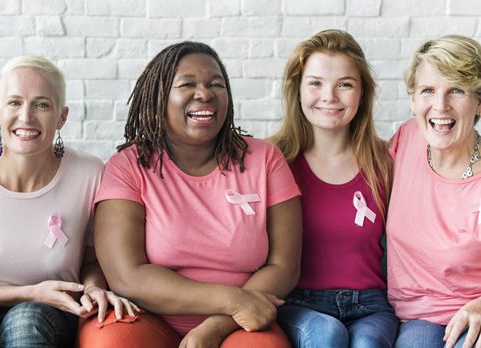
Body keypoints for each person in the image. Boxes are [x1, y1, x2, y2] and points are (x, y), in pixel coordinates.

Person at [78, 41, 302, 347]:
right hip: (148, 317)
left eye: (216, 84)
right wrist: (232, 300)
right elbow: (126, 276)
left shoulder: (265, 159)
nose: (205, 94)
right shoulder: (127, 167)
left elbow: (284, 267)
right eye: (187, 84)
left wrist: (218, 325)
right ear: (159, 98)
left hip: (240, 324)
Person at [0, 55, 138, 347]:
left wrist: (93, 287)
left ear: (62, 116)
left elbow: (92, 261)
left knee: (26, 319)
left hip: (51, 316)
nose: (26, 117)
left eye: (41, 104)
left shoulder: (90, 173)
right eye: (14, 102)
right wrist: (30, 292)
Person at [271, 29, 398, 347]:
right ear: (297, 90)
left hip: (371, 306)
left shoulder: (387, 161)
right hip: (300, 305)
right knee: (327, 335)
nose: (329, 96)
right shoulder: (274, 161)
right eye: (315, 83)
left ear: (362, 93)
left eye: (345, 84)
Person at [387, 35, 481, 348]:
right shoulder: (407, 139)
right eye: (428, 90)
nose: (440, 106)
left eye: (456, 90)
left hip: (474, 313)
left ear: (478, 101)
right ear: (413, 99)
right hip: (417, 317)